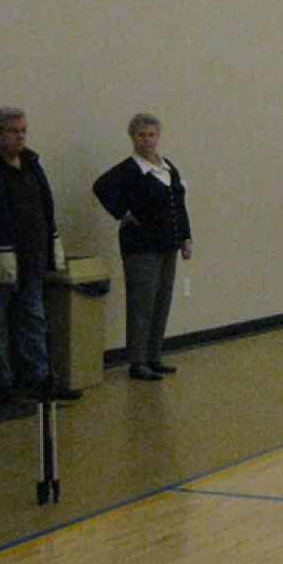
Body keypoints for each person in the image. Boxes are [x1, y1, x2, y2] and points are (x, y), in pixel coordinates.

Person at [0, 108, 80, 402]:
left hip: (30, 260)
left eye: (23, 131)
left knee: (33, 322)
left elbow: (46, 209)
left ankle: (38, 380)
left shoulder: (32, 164)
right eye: (13, 131)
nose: (20, 137)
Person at [92, 113, 192, 382]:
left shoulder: (167, 167)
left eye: (151, 135)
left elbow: (178, 204)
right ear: (132, 138)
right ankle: (137, 361)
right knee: (141, 303)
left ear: (158, 136)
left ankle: (153, 355)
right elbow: (100, 187)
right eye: (141, 135)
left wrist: (185, 237)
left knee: (161, 300)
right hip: (140, 246)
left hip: (167, 243)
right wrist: (122, 213)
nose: (147, 140)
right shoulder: (128, 169)